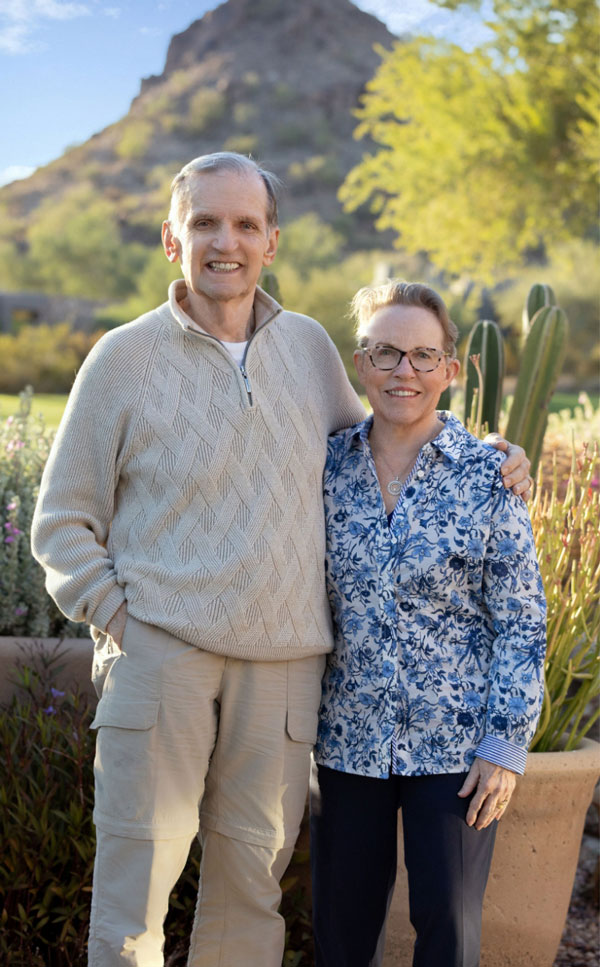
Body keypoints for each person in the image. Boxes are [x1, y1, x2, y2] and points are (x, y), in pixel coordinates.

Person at [30, 154, 532, 967]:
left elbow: (386, 436)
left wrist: (489, 453)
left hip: (287, 672)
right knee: (132, 897)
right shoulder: (120, 360)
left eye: (243, 225)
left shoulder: (305, 348)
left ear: (272, 241)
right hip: (163, 662)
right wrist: (130, 623)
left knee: (250, 899)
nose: (223, 241)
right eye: (204, 223)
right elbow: (60, 524)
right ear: (171, 239)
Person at [310, 280, 546, 967]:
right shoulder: (325, 468)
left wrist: (505, 742)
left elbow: (522, 622)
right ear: (362, 364)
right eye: (386, 354)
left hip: (458, 750)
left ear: (451, 369)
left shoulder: (488, 476)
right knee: (342, 929)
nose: (403, 372)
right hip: (349, 739)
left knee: (447, 925)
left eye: (422, 355)